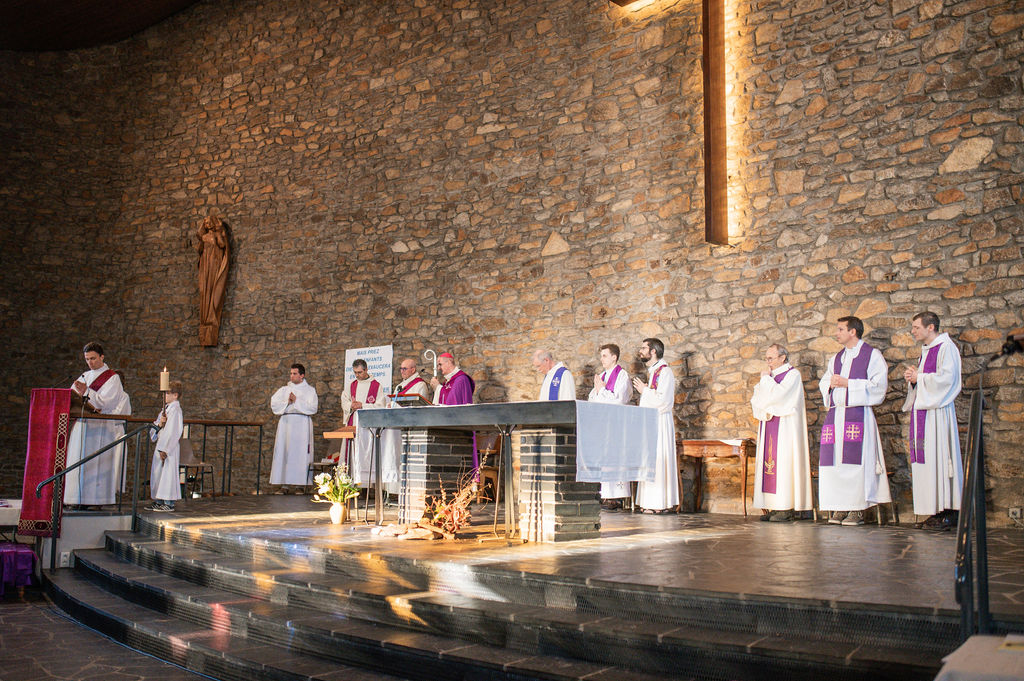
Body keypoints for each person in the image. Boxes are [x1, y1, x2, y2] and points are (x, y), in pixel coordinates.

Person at [818, 316, 892, 526]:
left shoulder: (871, 355)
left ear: (853, 332)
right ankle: (840, 507)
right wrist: (830, 384)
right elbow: (825, 381)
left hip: (857, 415)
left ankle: (857, 509)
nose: (836, 333)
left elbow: (878, 385)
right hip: (836, 416)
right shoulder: (836, 358)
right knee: (835, 464)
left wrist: (848, 383)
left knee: (857, 464)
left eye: (840, 329)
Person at [903, 311, 963, 530]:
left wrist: (919, 377)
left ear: (930, 327)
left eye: (916, 327)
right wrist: (914, 380)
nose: (912, 331)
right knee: (928, 462)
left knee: (940, 459)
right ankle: (935, 510)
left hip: (938, 414)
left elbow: (947, 380)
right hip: (924, 415)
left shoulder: (946, 348)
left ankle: (950, 511)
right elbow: (926, 380)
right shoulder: (926, 350)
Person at [750, 344, 812, 521]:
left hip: (786, 428)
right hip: (769, 423)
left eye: (770, 358)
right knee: (771, 465)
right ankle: (775, 507)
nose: (767, 362)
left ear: (782, 358)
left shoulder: (792, 375)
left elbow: (779, 397)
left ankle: (786, 508)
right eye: (766, 358)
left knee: (784, 465)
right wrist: (765, 384)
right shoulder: (770, 377)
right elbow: (757, 400)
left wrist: (765, 380)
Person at [65, 342, 132, 508]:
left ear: (102, 357)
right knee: (79, 463)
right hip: (83, 425)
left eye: (93, 358)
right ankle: (76, 499)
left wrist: (87, 392)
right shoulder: (84, 376)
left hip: (100, 427)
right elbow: (72, 396)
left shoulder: (112, 378)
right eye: (87, 359)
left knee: (96, 465)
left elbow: (108, 403)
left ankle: (96, 501)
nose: (90, 362)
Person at [632, 338, 679, 513]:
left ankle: (658, 504)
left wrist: (644, 391)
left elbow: (664, 402)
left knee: (659, 460)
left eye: (644, 348)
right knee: (650, 460)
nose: (641, 351)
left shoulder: (665, 372)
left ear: (653, 351)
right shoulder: (654, 371)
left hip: (660, 422)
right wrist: (646, 391)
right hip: (652, 422)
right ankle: (650, 502)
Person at [588, 343, 633, 509]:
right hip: (603, 422)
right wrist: (599, 391)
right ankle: (605, 495)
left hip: (616, 423)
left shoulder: (622, 375)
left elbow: (619, 400)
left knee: (615, 459)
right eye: (601, 356)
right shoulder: (601, 376)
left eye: (605, 356)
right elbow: (592, 398)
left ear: (614, 357)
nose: (602, 359)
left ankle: (616, 497)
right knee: (604, 459)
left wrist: (601, 391)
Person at [380, 358, 432, 495]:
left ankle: (406, 491)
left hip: (411, 429)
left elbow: (419, 408)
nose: (401, 371)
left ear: (413, 370)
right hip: (396, 428)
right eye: (401, 369)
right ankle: (392, 490)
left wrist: (396, 406)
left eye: (404, 369)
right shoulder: (400, 386)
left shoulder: (420, 385)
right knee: (394, 457)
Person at [269, 363, 318, 493]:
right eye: (291, 373)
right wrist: (287, 402)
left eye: (294, 373)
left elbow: (313, 408)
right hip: (286, 424)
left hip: (302, 424)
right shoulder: (284, 390)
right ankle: (284, 485)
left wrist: (297, 401)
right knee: (284, 453)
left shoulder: (310, 390)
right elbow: (274, 404)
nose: (291, 376)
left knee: (300, 454)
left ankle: (299, 486)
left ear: (302, 375)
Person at [343, 358, 385, 488]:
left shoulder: (376, 386)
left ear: (366, 370)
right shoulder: (351, 385)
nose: (357, 375)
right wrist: (351, 405)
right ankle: (351, 484)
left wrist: (363, 405)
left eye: (360, 372)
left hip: (368, 426)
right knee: (352, 453)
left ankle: (367, 486)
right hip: (353, 421)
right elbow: (344, 400)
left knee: (366, 454)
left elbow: (380, 405)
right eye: (355, 372)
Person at [147, 381, 183, 512]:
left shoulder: (175, 410)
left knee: (167, 474)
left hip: (169, 447)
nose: (164, 396)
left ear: (175, 395)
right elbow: (157, 425)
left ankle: (168, 502)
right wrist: (160, 424)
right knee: (158, 474)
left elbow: (173, 431)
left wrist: (165, 449)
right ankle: (159, 500)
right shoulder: (166, 409)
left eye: (167, 393)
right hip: (160, 444)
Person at [196, 215, 230, 346]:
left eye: (209, 222)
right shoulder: (204, 237)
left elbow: (222, 245)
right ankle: (205, 321)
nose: (208, 224)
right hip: (205, 267)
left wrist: (221, 232)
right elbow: (199, 250)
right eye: (205, 223)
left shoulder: (217, 235)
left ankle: (211, 320)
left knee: (213, 289)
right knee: (204, 291)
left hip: (215, 264)